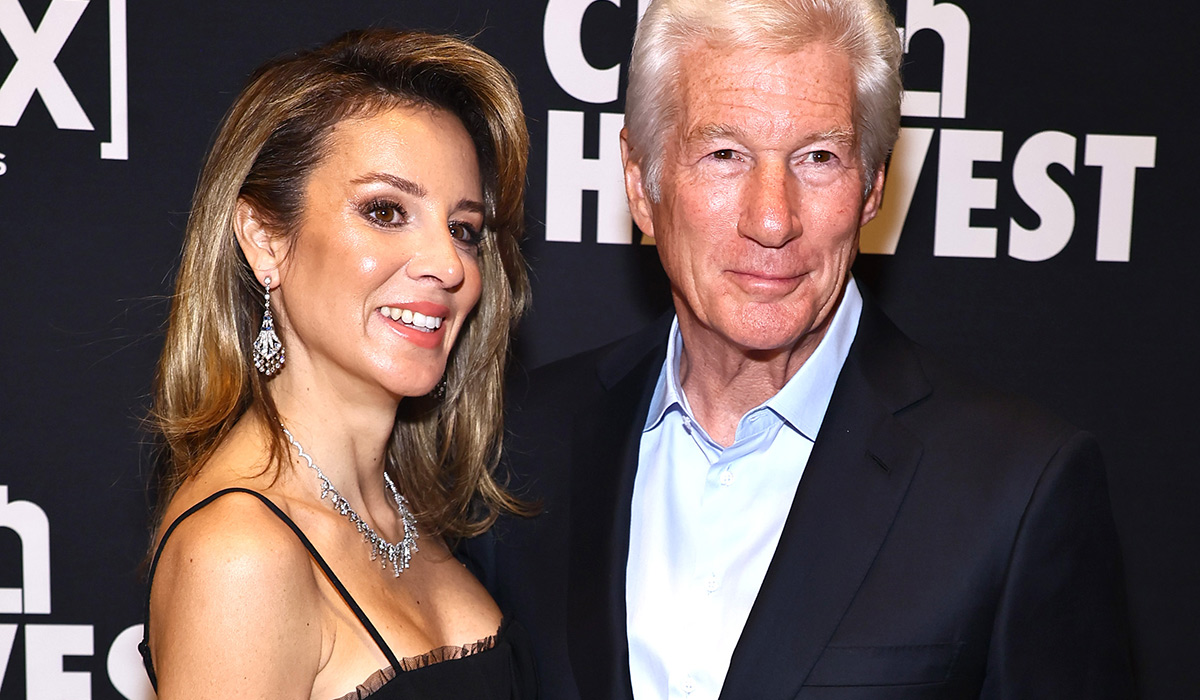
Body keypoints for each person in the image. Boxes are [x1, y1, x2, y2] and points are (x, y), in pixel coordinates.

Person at [465, 0, 1134, 697]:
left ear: (872, 185)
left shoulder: (1015, 489)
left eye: (819, 158)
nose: (773, 218)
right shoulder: (518, 445)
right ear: (641, 181)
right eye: (725, 154)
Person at [140, 29, 536, 699]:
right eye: (386, 211)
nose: (448, 264)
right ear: (266, 239)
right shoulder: (240, 555)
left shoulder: (408, 514)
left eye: (463, 228)